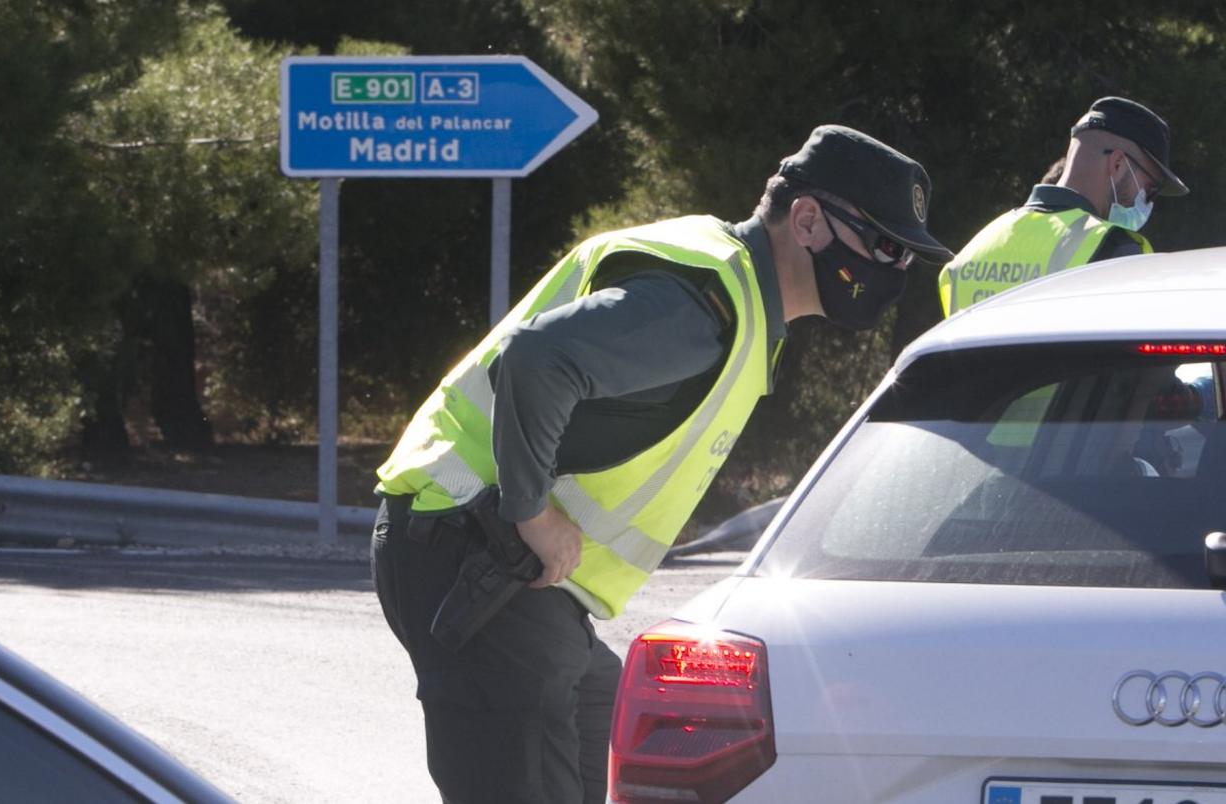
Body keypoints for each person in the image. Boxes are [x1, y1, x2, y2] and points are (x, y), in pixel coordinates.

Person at [369, 124, 953, 804]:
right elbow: (536, 359)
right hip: (471, 550)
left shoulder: (740, 305)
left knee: (612, 748)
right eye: (884, 246)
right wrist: (529, 510)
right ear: (807, 220)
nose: (894, 269)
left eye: (907, 256)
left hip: (514, 580)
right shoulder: (703, 306)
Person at [938, 96, 1188, 316]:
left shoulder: (970, 255)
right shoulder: (1115, 250)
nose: (1148, 201)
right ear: (1118, 164)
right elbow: (1136, 368)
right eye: (1150, 188)